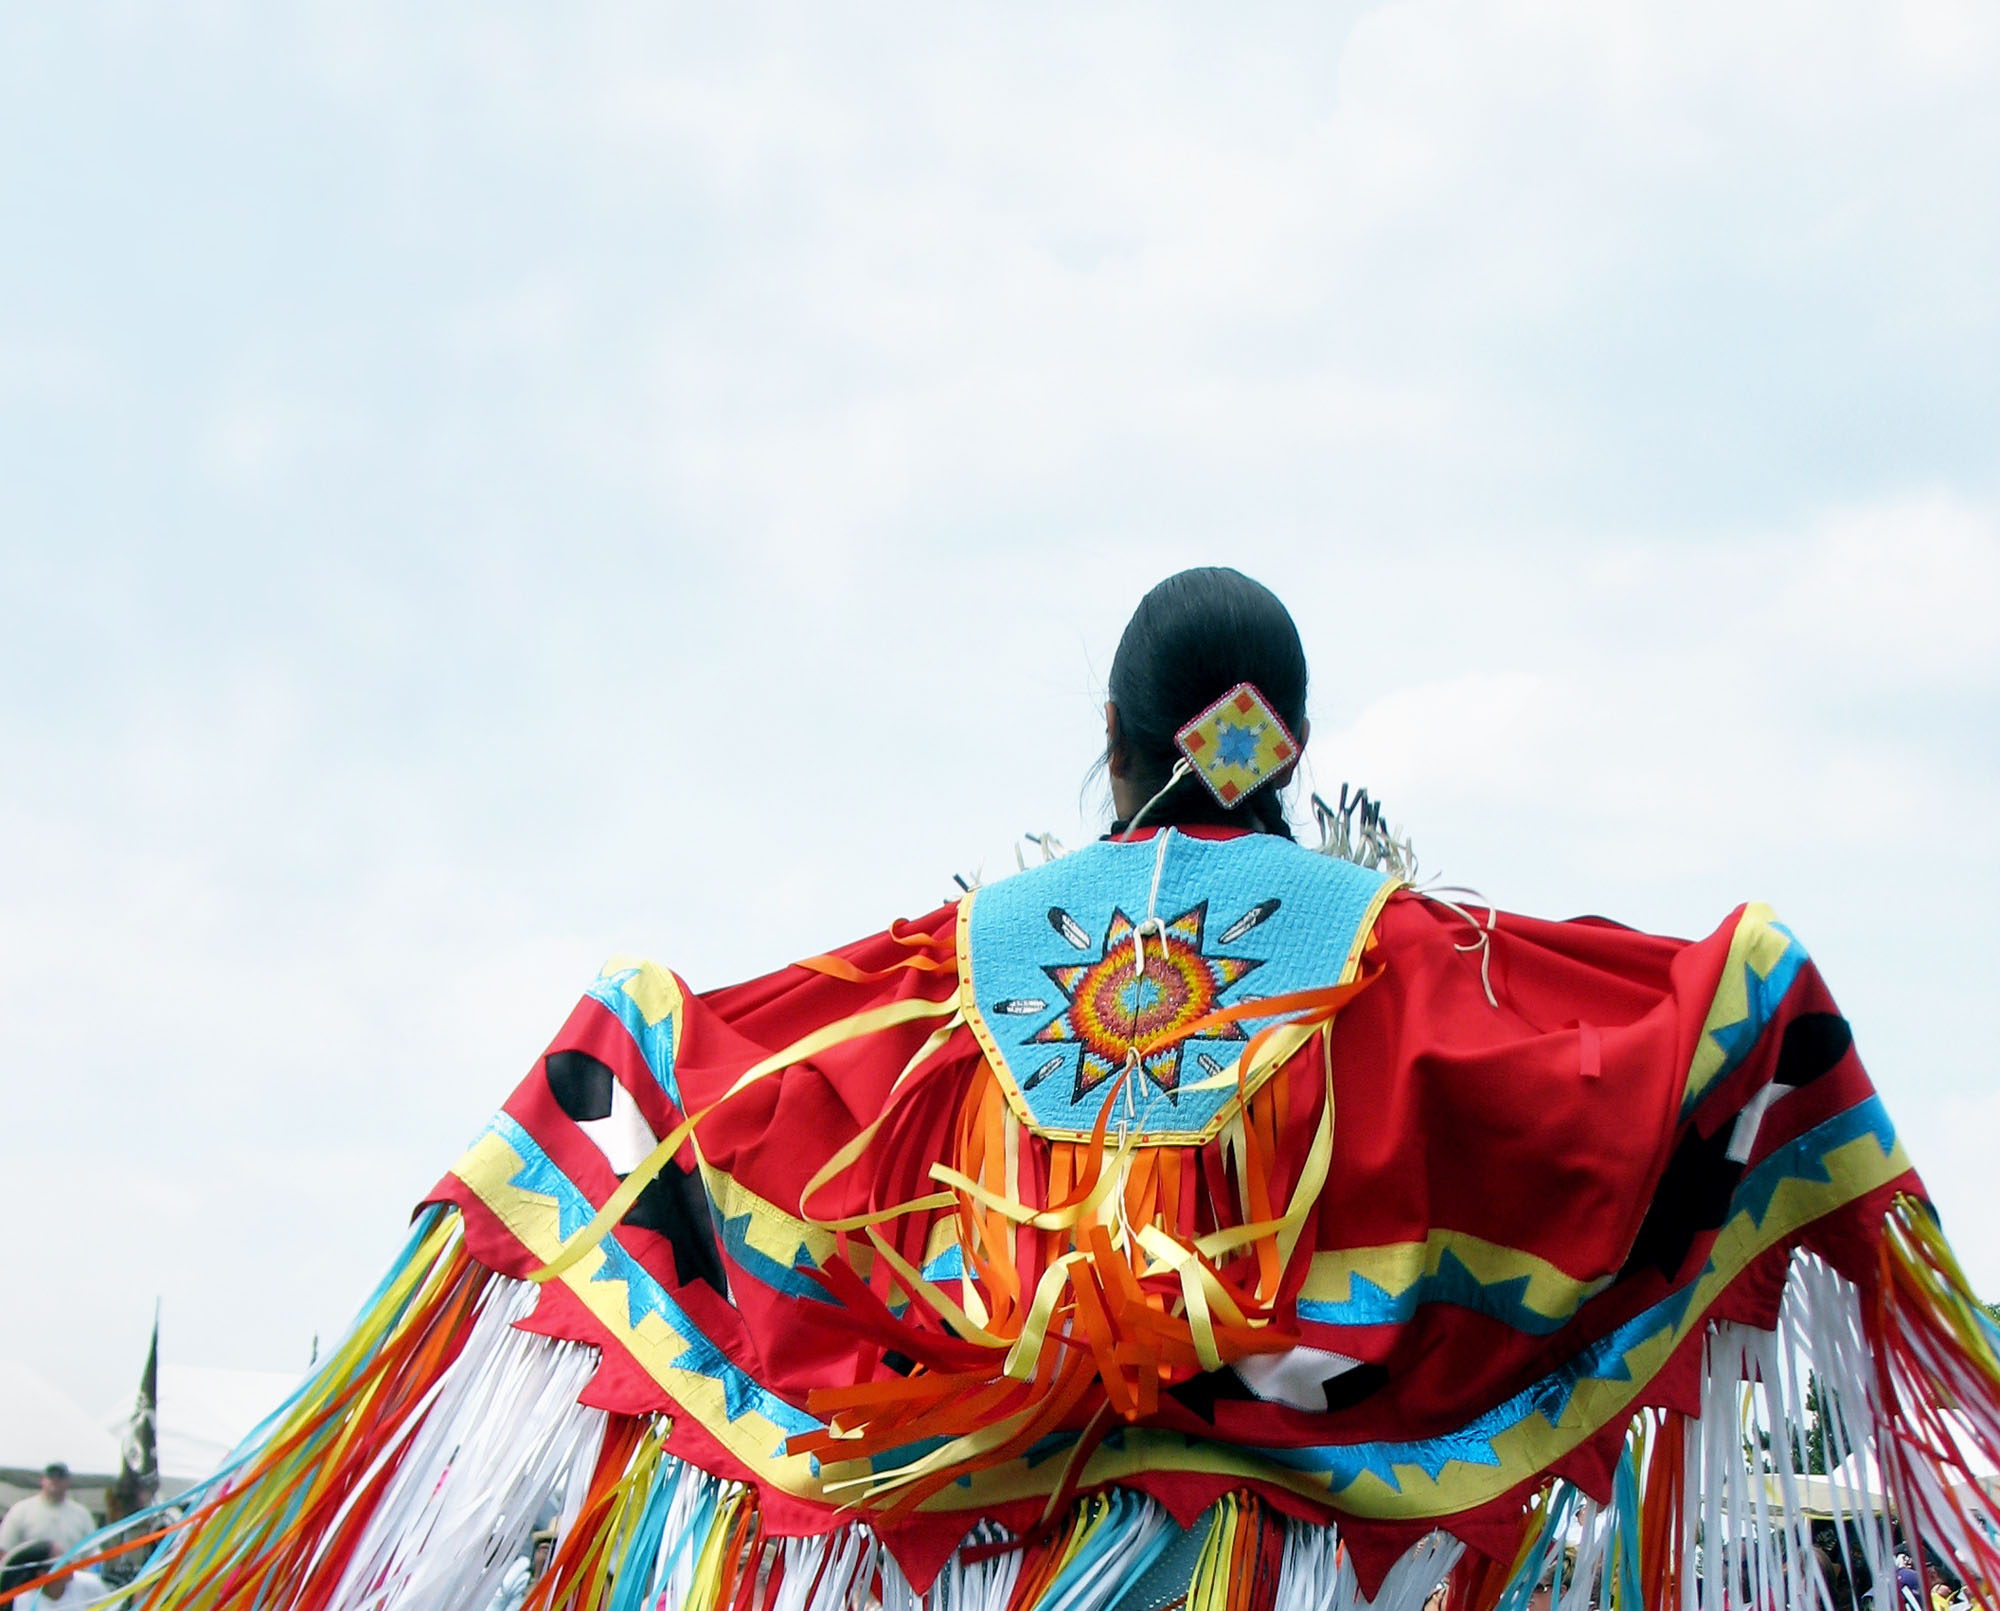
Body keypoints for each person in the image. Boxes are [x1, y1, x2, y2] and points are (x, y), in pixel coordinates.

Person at [119, 570, 2000, 1611]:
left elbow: (671, 1078)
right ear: (1288, 743)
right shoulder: (1422, 976)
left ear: (1113, 750)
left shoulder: (933, 994)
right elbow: (1680, 1058)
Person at [0, 1467, 95, 1558]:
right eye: (51, 1476)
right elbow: (4, 1550)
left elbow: (92, 1552)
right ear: (42, 1480)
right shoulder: (20, 1510)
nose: (55, 1480)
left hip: (69, 1573)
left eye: (60, 1476)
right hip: (32, 1574)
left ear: (68, 1481)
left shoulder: (82, 1514)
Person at [0, 1542, 107, 1609]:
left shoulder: (91, 1585)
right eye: (63, 1562)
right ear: (43, 1575)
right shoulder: (25, 1599)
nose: (71, 1563)